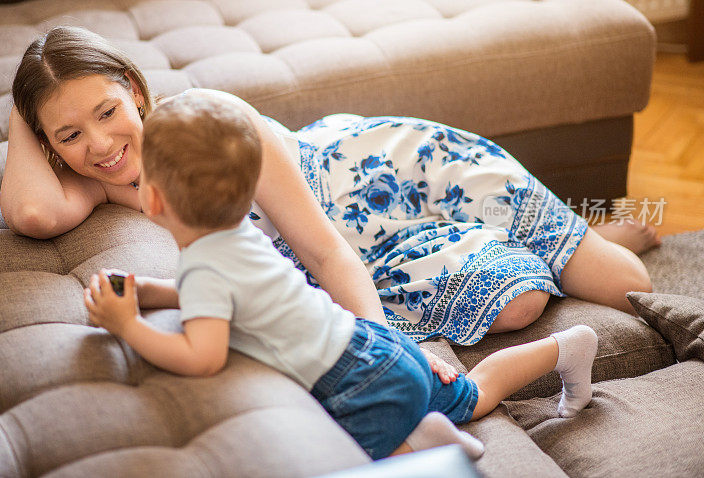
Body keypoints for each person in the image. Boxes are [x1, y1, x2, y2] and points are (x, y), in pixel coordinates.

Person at [1, 26, 656, 354]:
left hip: (399, 173)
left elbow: (323, 254)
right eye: (68, 134)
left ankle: (585, 235)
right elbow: (32, 211)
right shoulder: (96, 179)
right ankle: (561, 237)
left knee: (629, 284)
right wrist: (25, 103)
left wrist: (388, 355)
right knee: (521, 303)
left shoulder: (210, 123)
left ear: (136, 93)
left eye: (107, 112)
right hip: (369, 246)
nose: (99, 146)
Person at [83, 94, 599, 460]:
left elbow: (203, 354)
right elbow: (224, 300)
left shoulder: (204, 263)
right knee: (475, 392)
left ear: (150, 200)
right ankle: (564, 349)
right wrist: (149, 292)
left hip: (356, 380)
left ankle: (426, 445)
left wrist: (127, 326)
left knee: (356, 455)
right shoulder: (242, 238)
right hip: (374, 342)